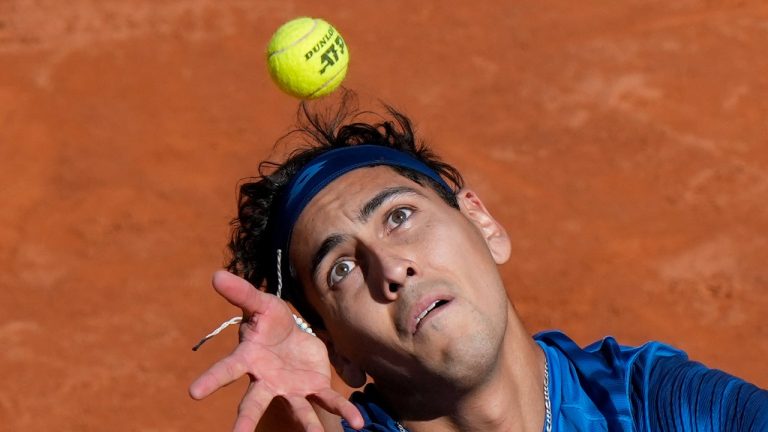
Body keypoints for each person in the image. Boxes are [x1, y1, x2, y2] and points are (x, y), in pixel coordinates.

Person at [189, 91, 768, 432]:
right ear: (340, 351)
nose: (391, 269)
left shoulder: (645, 404)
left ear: (483, 224)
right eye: (341, 269)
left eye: (399, 216)